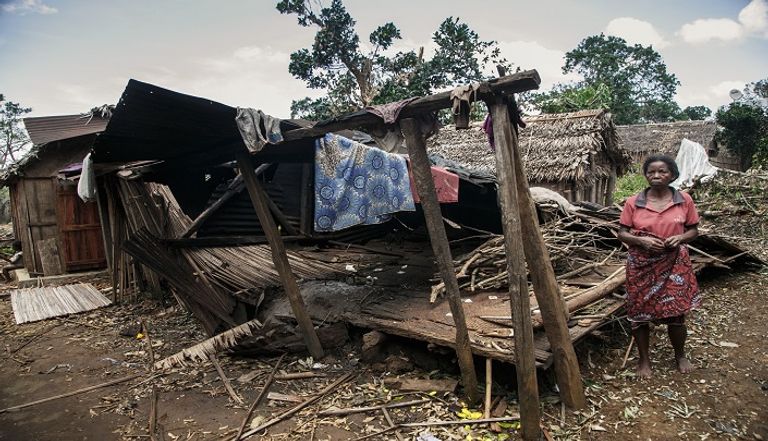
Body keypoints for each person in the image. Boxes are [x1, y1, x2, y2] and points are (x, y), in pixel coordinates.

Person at [617, 155, 701, 379]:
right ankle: (644, 360)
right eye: (651, 172)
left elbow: (694, 230)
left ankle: (680, 355)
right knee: (639, 313)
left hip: (674, 264)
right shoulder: (634, 202)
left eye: (662, 171)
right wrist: (641, 241)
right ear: (645, 175)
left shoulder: (684, 200)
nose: (656, 176)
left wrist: (681, 238)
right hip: (641, 266)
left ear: (672, 175)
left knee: (676, 313)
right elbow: (622, 232)